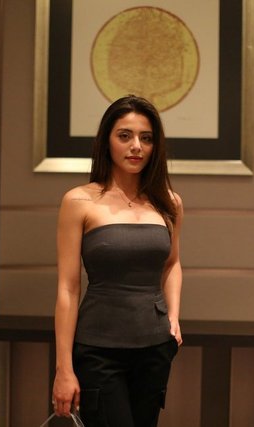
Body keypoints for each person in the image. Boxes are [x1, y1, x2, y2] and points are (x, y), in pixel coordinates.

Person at [51, 95, 183, 426]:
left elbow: (171, 264)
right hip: (98, 350)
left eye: (146, 138)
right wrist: (63, 368)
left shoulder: (169, 202)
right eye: (125, 135)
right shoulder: (79, 201)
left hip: (155, 348)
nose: (136, 146)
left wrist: (174, 317)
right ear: (107, 141)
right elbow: (68, 288)